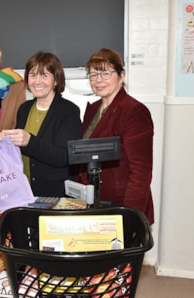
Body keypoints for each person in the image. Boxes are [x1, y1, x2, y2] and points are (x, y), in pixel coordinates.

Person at [77, 48, 154, 224]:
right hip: (95, 203)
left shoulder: (134, 111)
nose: (98, 80)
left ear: (121, 75)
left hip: (122, 206)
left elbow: (141, 172)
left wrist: (129, 217)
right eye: (93, 75)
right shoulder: (92, 110)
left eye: (105, 73)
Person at [0, 52, 82, 197]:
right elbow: (19, 150)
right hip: (24, 190)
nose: (37, 81)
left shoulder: (69, 111)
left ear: (56, 80)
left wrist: (29, 141)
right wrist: (5, 140)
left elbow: (64, 157)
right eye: (32, 75)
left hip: (55, 194)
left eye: (44, 75)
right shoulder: (24, 108)